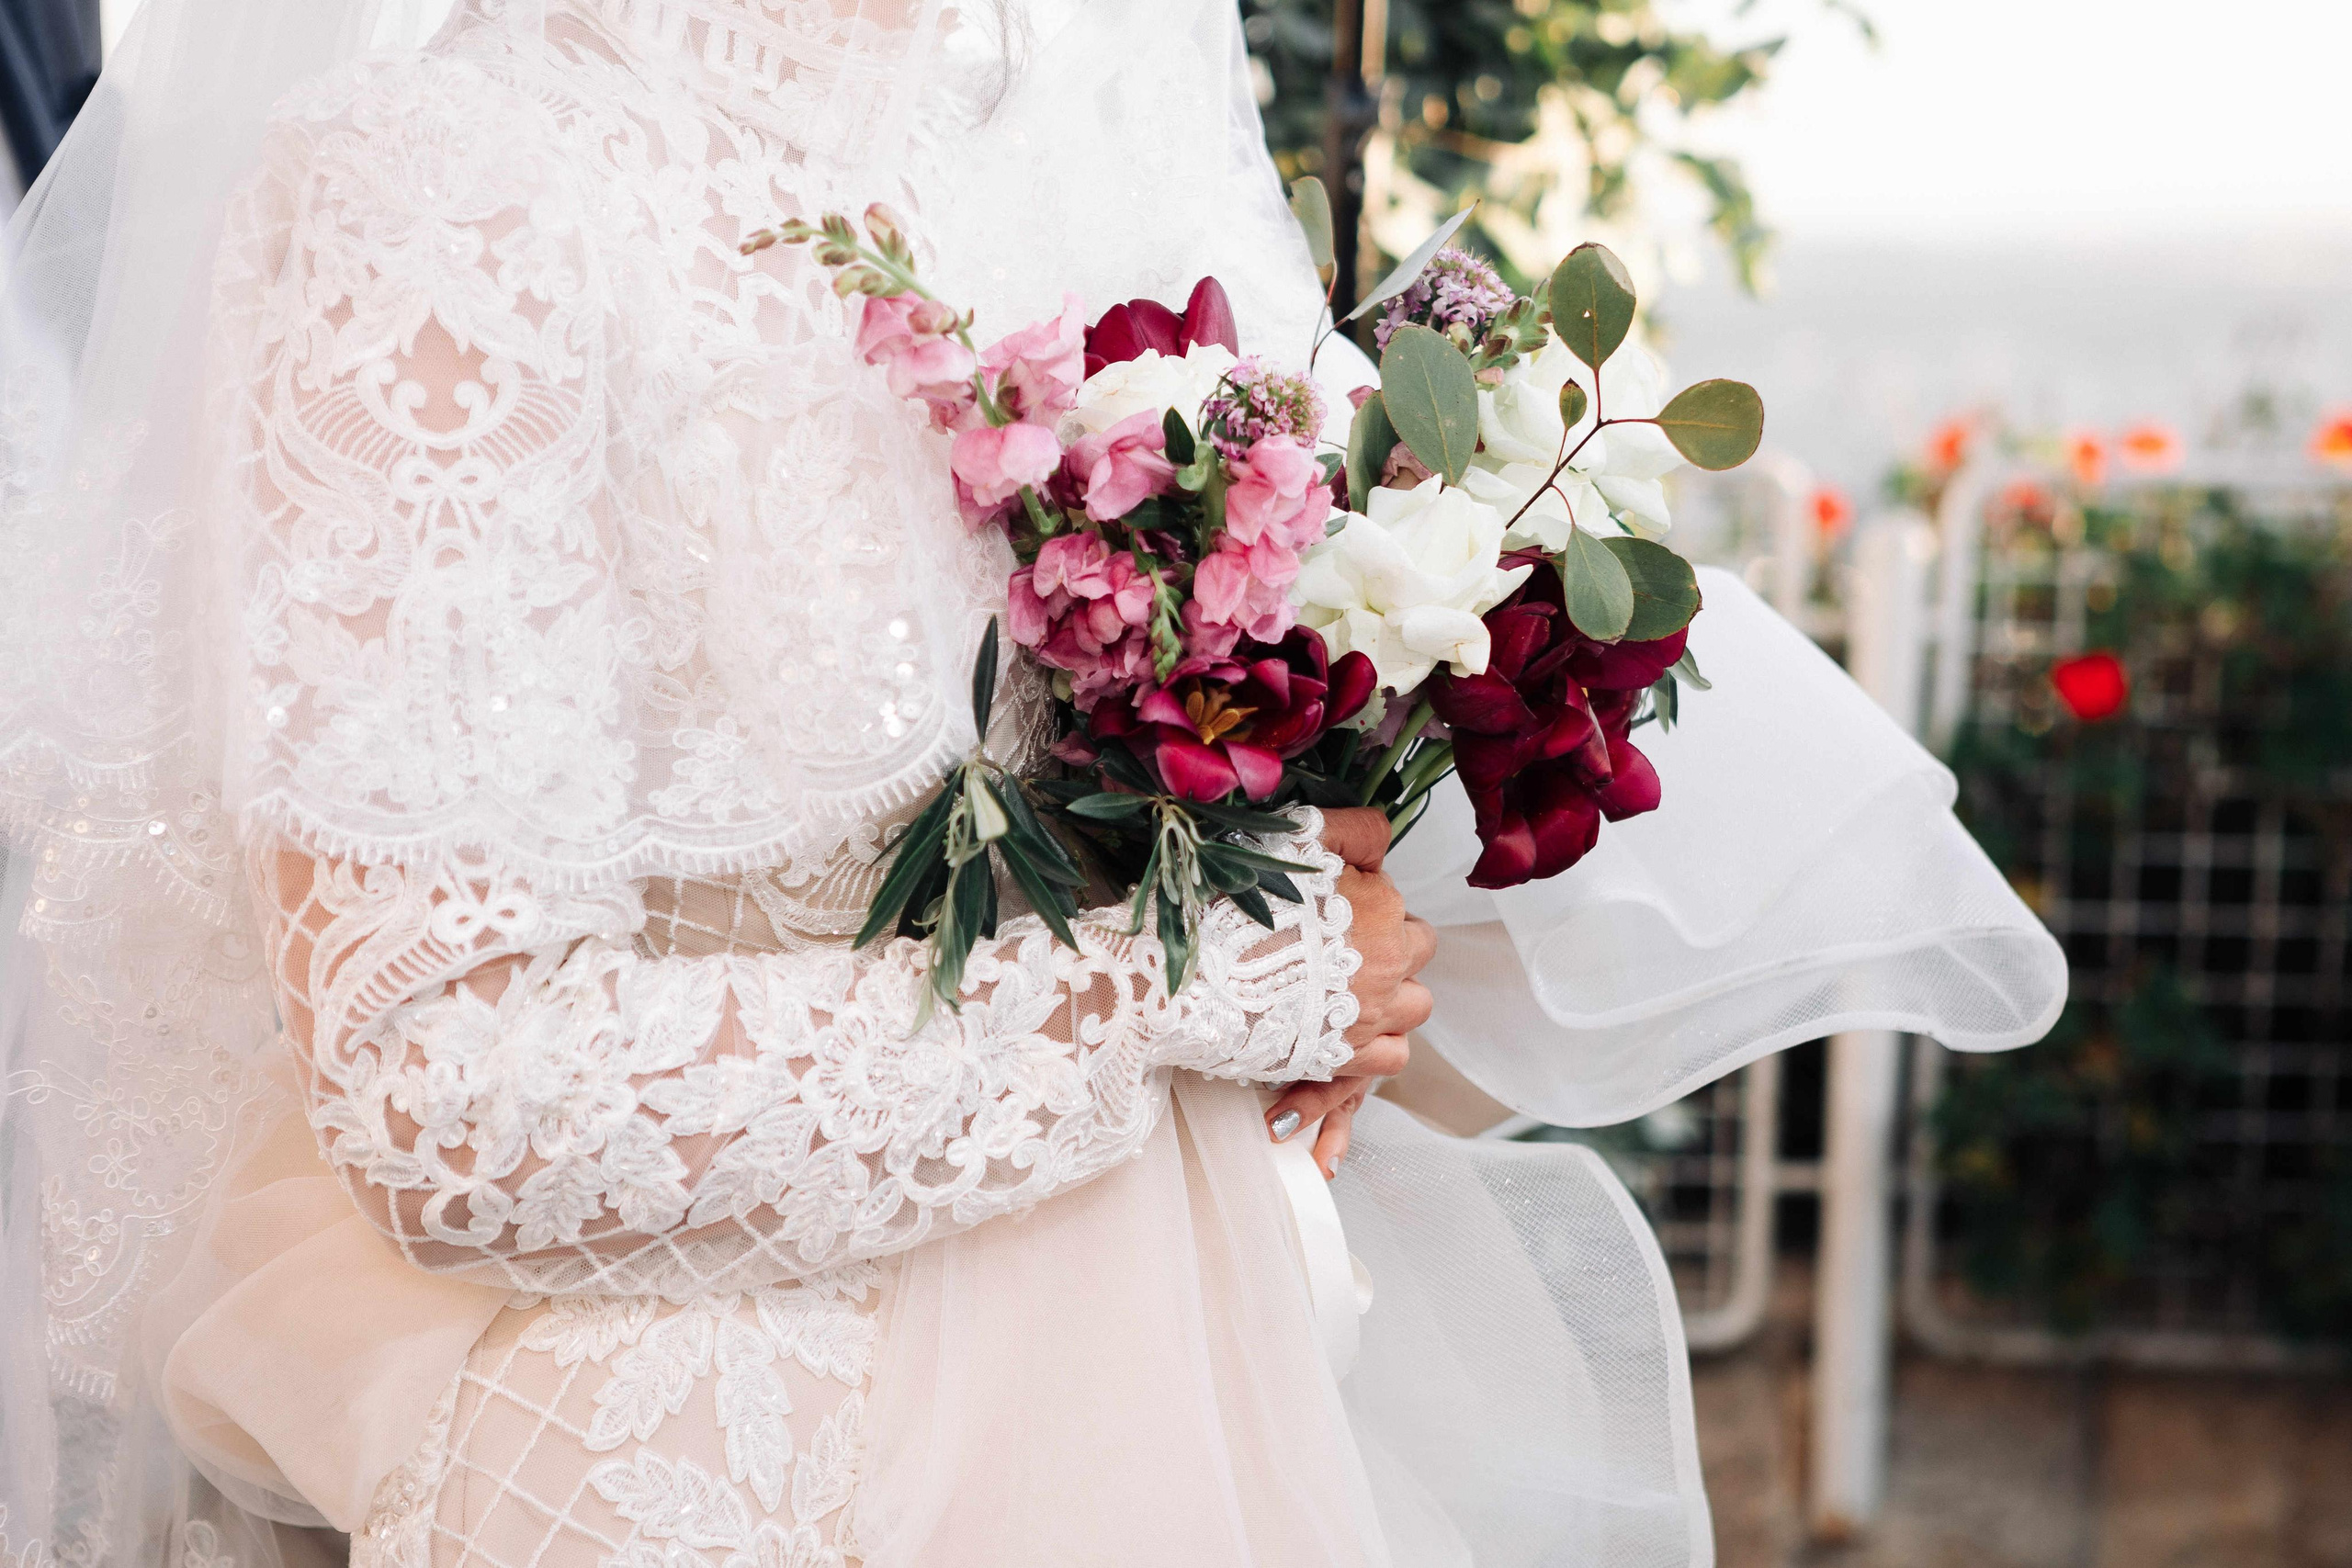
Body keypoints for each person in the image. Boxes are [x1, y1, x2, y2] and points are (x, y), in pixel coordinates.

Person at [0, 3, 2065, 1566]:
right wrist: (1186, 980)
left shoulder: (1082, 84)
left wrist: (1323, 833)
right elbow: (446, 1093)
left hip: (1198, 1336)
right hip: (708, 1446)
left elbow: (1222, 665)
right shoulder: (439, 189)